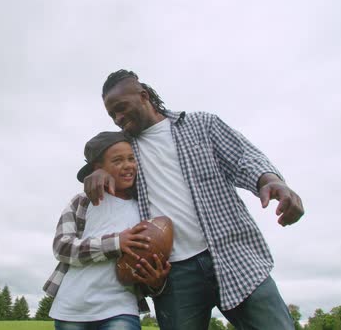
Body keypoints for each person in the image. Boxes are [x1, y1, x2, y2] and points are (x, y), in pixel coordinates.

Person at [84, 70, 305, 330]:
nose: (118, 118)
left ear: (143, 96)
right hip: (172, 274)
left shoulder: (201, 125)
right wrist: (98, 169)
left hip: (234, 255)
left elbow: (245, 159)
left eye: (121, 108)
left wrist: (272, 182)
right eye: (112, 115)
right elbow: (106, 165)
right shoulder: (126, 149)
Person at [43, 131, 170, 330]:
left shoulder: (144, 208)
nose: (128, 165)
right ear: (98, 168)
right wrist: (116, 243)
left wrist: (156, 283)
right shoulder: (81, 203)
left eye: (131, 158)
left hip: (121, 308)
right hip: (72, 309)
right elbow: (62, 248)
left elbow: (145, 261)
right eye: (118, 160)